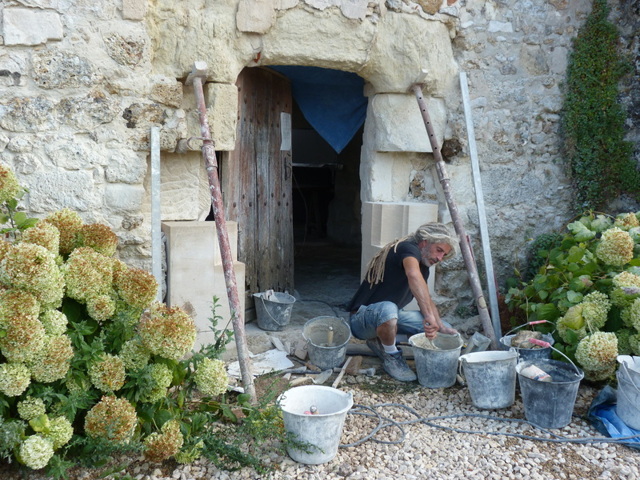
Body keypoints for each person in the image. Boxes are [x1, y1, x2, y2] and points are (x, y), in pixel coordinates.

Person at [346, 222, 459, 381]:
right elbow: (412, 274)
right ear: (425, 242)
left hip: (392, 316)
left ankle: (383, 339)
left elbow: (425, 297)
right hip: (362, 319)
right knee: (388, 309)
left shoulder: (423, 265)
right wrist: (428, 317)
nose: (440, 258)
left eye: (444, 255)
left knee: (445, 330)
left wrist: (438, 325)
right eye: (439, 250)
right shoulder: (407, 248)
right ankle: (391, 354)